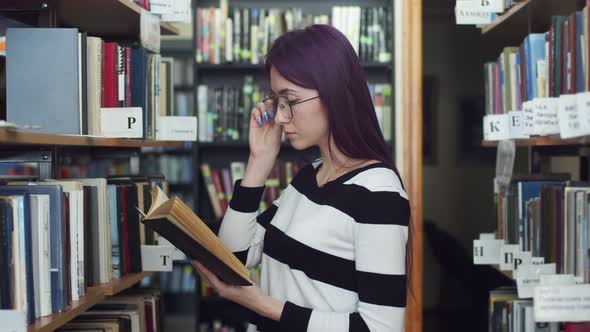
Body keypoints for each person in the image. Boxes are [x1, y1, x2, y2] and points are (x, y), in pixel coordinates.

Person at [193, 24, 411, 332]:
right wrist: (259, 161)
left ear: (334, 93)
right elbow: (237, 255)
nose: (280, 117)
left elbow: (381, 328)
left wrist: (263, 305)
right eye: (278, 102)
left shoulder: (378, 194)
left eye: (290, 101)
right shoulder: (310, 177)